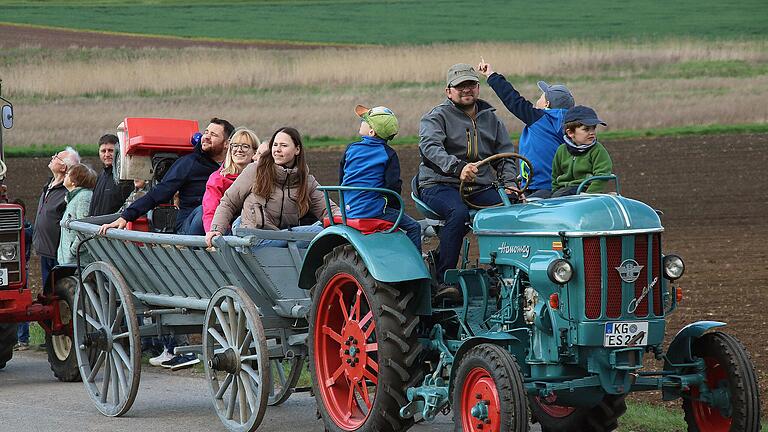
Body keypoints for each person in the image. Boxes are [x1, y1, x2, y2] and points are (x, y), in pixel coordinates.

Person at [418, 63, 519, 302]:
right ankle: (444, 280)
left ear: (478, 88)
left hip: (479, 185)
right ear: (448, 91)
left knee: (511, 208)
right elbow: (430, 148)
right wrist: (458, 168)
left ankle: (503, 276)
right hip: (439, 183)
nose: (467, 90)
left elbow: (505, 155)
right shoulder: (436, 117)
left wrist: (509, 183)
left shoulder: (491, 119)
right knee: (458, 212)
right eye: (460, 86)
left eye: (471, 85)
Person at [206, 127, 338, 248]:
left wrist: (346, 220)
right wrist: (216, 230)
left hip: (283, 238)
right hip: (253, 239)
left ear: (297, 149)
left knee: (325, 229)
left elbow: (328, 209)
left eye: (284, 145)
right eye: (275, 145)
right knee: (318, 232)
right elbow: (229, 202)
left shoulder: (306, 180)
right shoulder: (255, 171)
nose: (277, 150)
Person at [99, 118, 234, 235]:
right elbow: (159, 192)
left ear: (227, 143)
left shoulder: (235, 167)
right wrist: (126, 216)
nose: (207, 137)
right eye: (206, 132)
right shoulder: (189, 163)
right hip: (191, 227)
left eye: (214, 135)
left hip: (224, 223)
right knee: (207, 208)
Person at [477, 59, 575, 199]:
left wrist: (491, 75)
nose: (538, 100)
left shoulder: (538, 118)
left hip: (537, 187)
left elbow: (512, 99)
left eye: (541, 97)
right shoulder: (573, 125)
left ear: (547, 104)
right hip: (561, 186)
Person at [339, 104, 421, 251]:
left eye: (364, 120)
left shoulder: (351, 149)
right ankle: (418, 267)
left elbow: (342, 178)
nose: (361, 122)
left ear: (371, 132)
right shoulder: (388, 154)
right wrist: (394, 207)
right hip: (372, 211)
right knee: (414, 227)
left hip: (348, 210)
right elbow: (393, 185)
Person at [33, 147, 80, 290]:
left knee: (59, 290)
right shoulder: (49, 185)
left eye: (57, 157)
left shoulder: (68, 192)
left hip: (57, 252)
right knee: (48, 289)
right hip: (44, 249)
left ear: (64, 167)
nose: (53, 157)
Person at [201, 127, 259, 233]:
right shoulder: (218, 178)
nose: (239, 150)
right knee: (200, 211)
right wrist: (214, 236)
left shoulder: (261, 178)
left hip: (250, 229)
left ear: (255, 152)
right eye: (235, 146)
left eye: (245, 146)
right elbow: (211, 211)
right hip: (222, 229)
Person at [551, 105, 613, 197]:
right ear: (570, 133)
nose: (592, 132)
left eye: (593, 128)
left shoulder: (597, 149)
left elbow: (602, 174)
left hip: (584, 188)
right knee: (538, 197)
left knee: (558, 196)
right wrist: (554, 191)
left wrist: (589, 194)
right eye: (586, 129)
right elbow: (555, 175)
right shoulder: (561, 150)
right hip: (563, 189)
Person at [58, 164, 97, 264]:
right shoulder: (75, 197)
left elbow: (85, 228)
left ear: (74, 181)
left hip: (77, 262)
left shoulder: (84, 197)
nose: (65, 176)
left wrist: (73, 252)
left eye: (67, 174)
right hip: (70, 261)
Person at [89, 134, 132, 216]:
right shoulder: (100, 176)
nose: (107, 154)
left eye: (111, 150)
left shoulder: (124, 177)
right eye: (103, 151)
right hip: (96, 227)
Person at [13, 199, 33, 351]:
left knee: (22, 306)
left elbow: (29, 235)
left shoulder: (26, 227)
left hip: (20, 269)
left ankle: (23, 339)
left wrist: (18, 229)